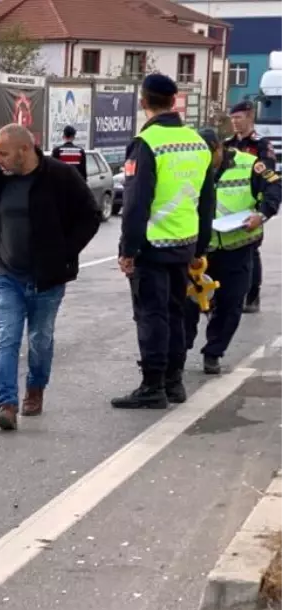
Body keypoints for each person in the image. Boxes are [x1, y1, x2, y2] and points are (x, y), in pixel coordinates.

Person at [0, 123, 102, 431]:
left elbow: (90, 215)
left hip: (47, 279)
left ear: (25, 149)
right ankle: (6, 404)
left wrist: (66, 252)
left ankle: (35, 389)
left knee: (40, 341)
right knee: (6, 340)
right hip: (6, 275)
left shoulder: (60, 176)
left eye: (3, 153)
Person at [113, 74, 215, 410]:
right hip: (184, 243)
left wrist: (128, 251)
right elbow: (206, 200)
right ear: (174, 102)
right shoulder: (197, 142)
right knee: (174, 313)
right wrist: (199, 247)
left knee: (151, 316)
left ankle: (152, 386)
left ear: (144, 101)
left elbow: (135, 204)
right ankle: (174, 381)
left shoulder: (146, 143)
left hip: (153, 246)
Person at [183, 128, 282, 374]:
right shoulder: (191, 165)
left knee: (230, 305)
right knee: (186, 304)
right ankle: (179, 350)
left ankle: (213, 352)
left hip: (237, 247)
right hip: (200, 250)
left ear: (219, 148)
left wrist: (262, 215)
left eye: (208, 155)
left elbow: (274, 187)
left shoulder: (249, 164)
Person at [225, 99, 277, 314]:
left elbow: (269, 177)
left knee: (250, 251)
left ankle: (252, 296)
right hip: (226, 209)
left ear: (249, 117)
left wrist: (263, 210)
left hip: (250, 207)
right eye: (232, 118)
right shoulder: (228, 145)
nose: (235, 122)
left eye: (239, 118)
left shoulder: (261, 146)